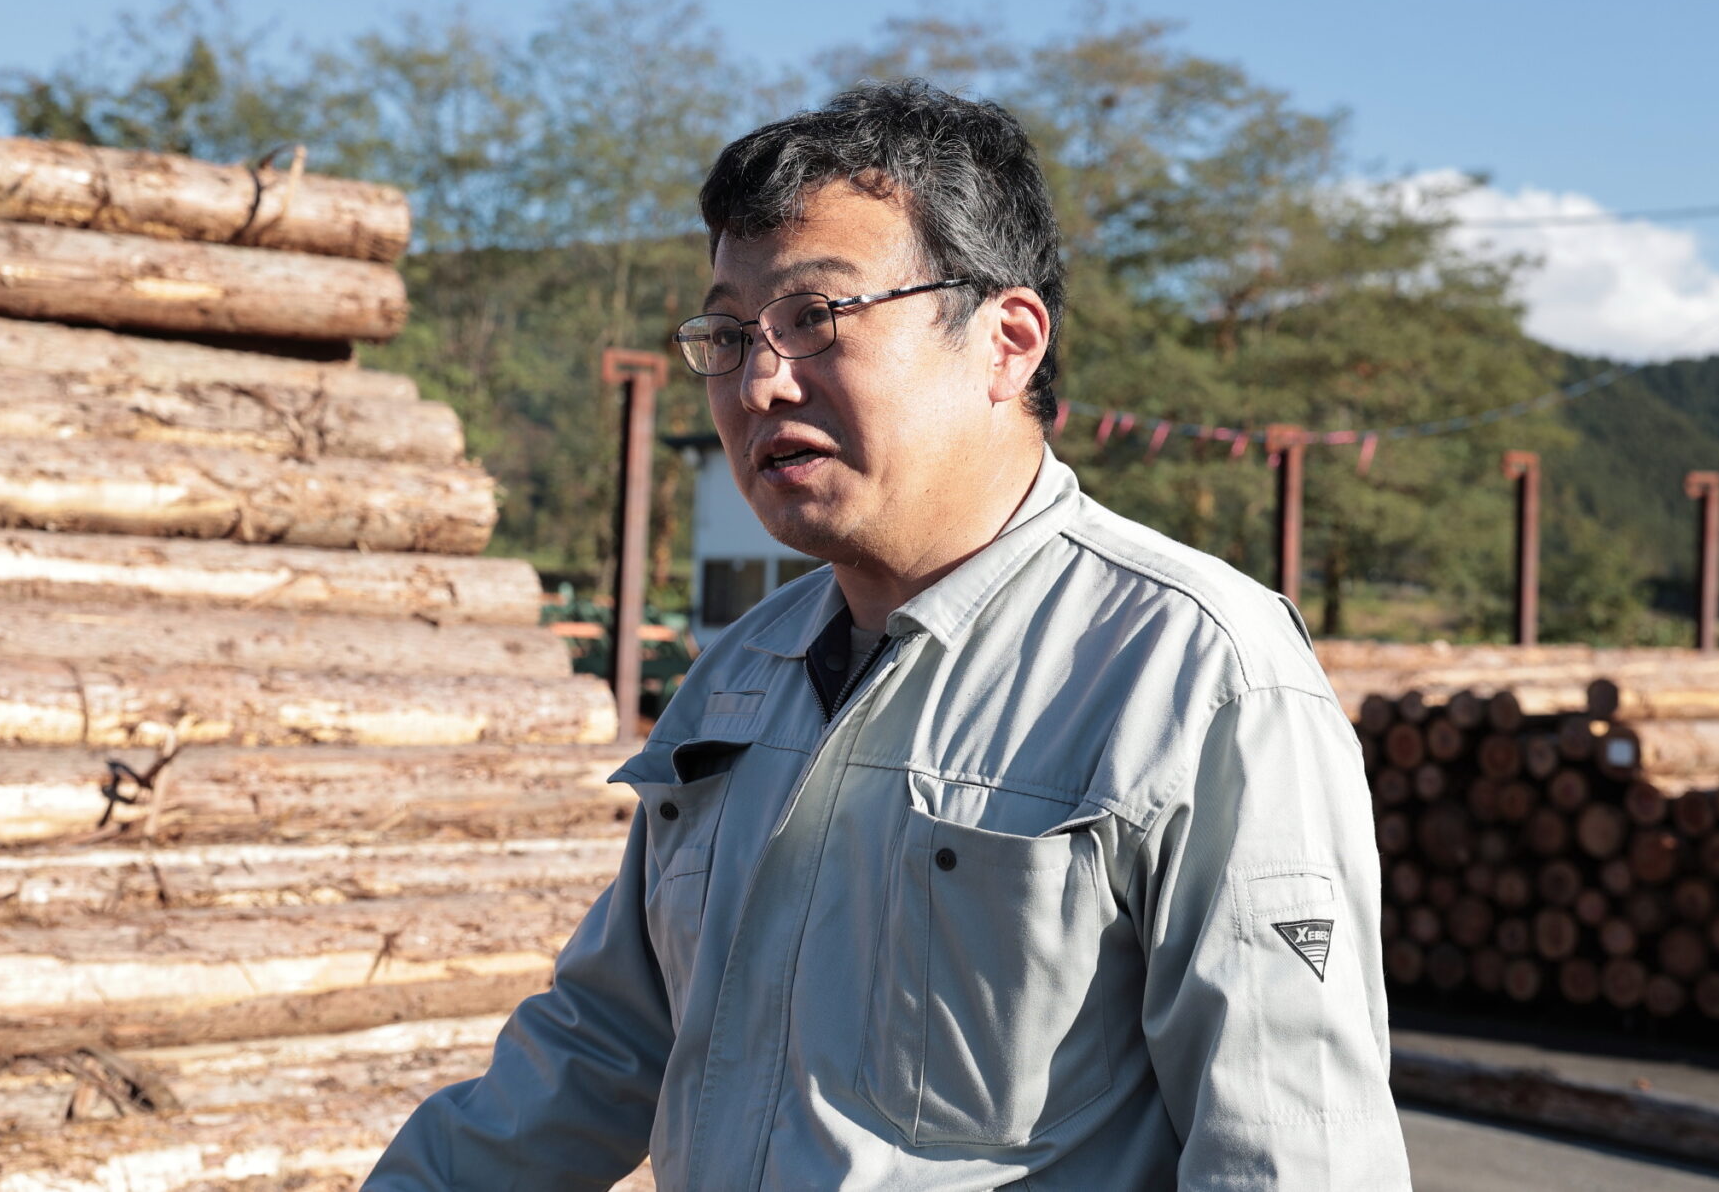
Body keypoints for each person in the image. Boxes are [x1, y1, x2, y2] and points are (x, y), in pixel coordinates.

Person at [366, 80, 1410, 1190]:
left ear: (1005, 342)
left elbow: (1291, 1155)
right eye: (729, 334)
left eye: (814, 318)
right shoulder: (742, 675)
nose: (759, 383)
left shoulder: (1194, 675)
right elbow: (603, 1046)